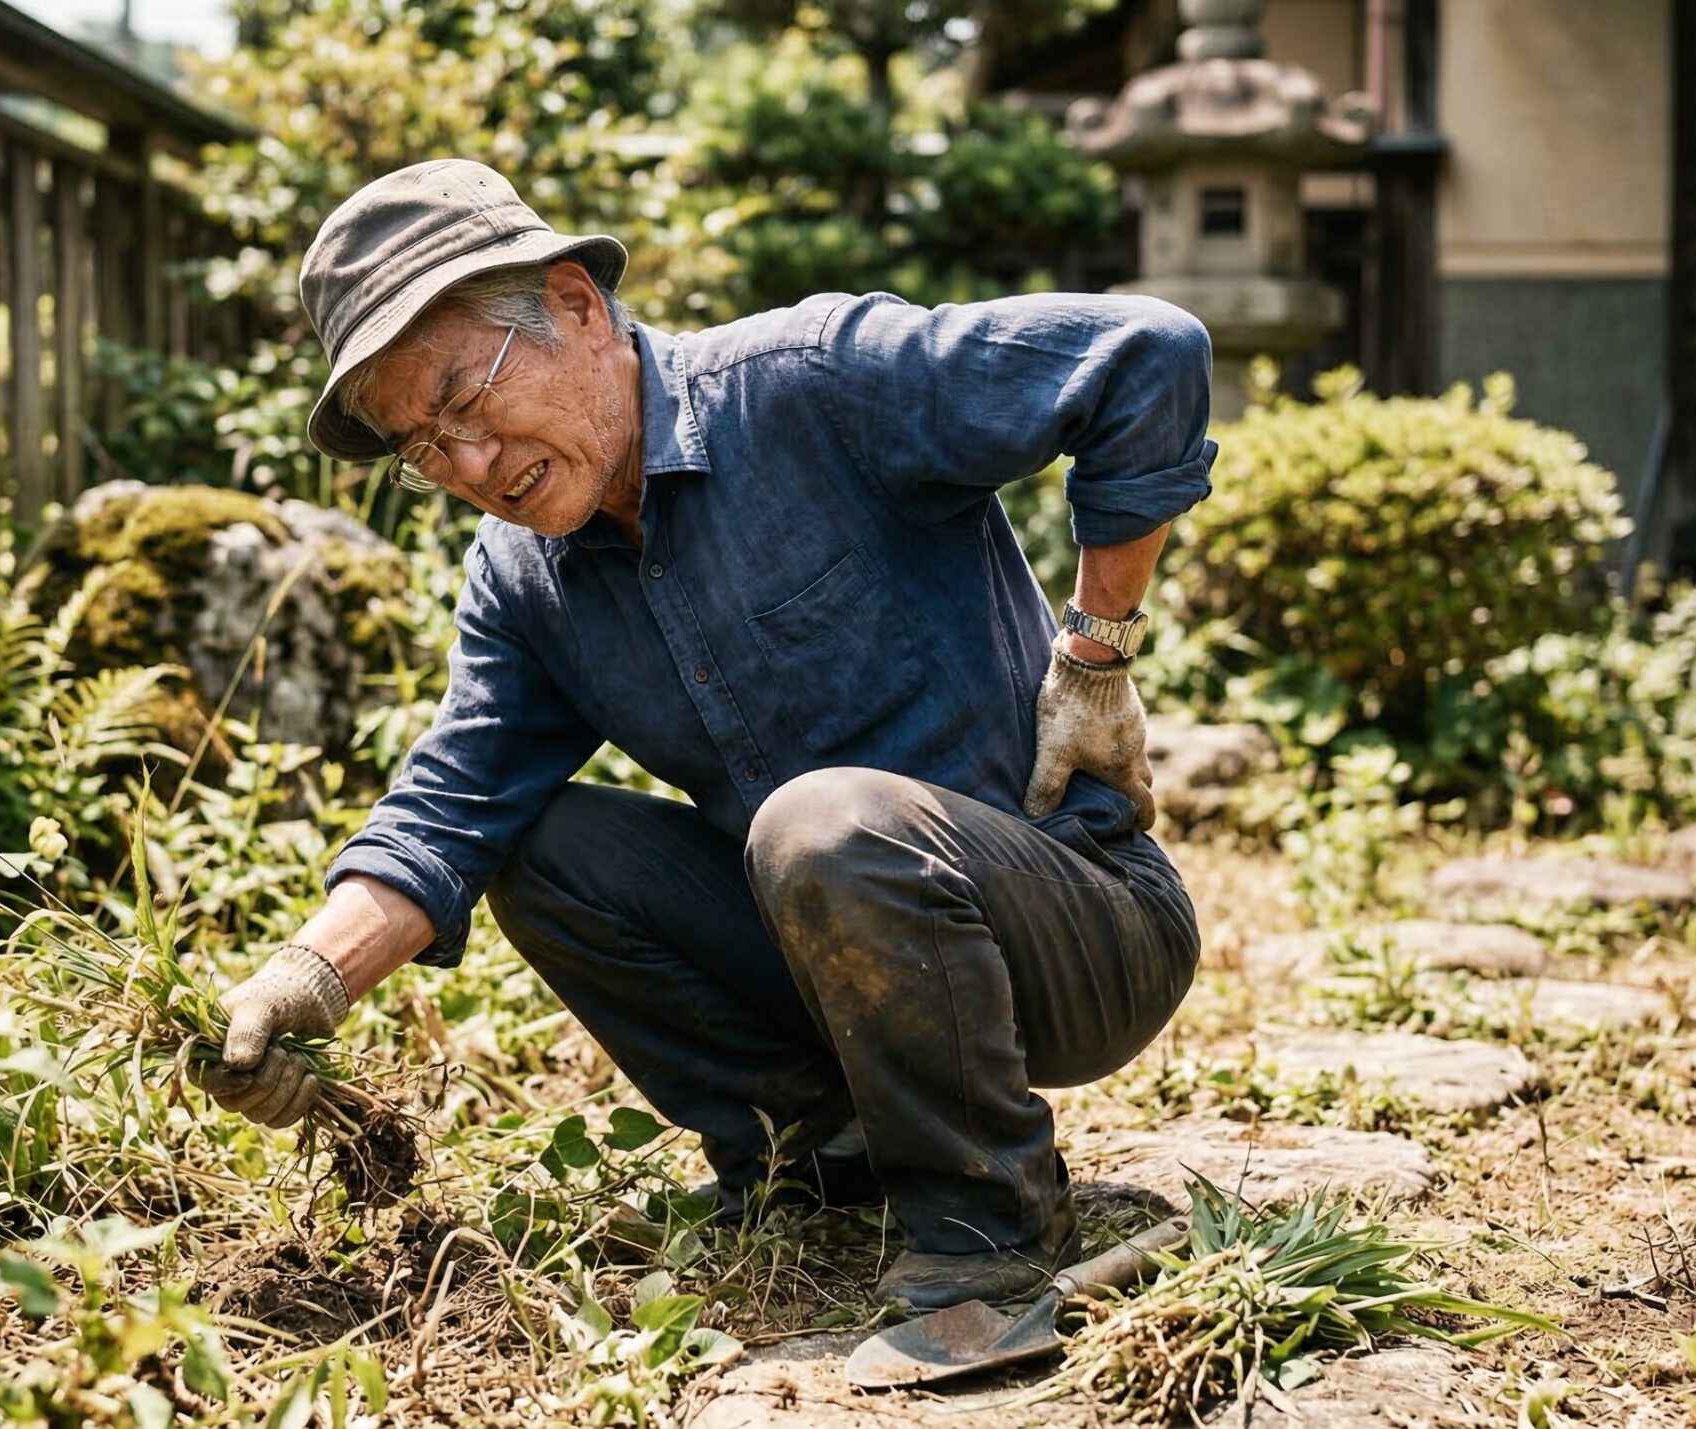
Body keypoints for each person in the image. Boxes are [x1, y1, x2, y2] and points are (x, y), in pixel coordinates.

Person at [197, 158, 1212, 1312]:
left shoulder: (813, 381)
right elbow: (450, 810)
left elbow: (1146, 355)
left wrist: (1096, 660)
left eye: (467, 403)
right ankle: (817, 1162)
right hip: (841, 966)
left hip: (1081, 926)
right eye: (423, 448)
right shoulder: (526, 578)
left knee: (822, 822)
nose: (469, 467)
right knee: (535, 838)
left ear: (576, 304)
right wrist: (300, 982)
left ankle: (990, 1231)